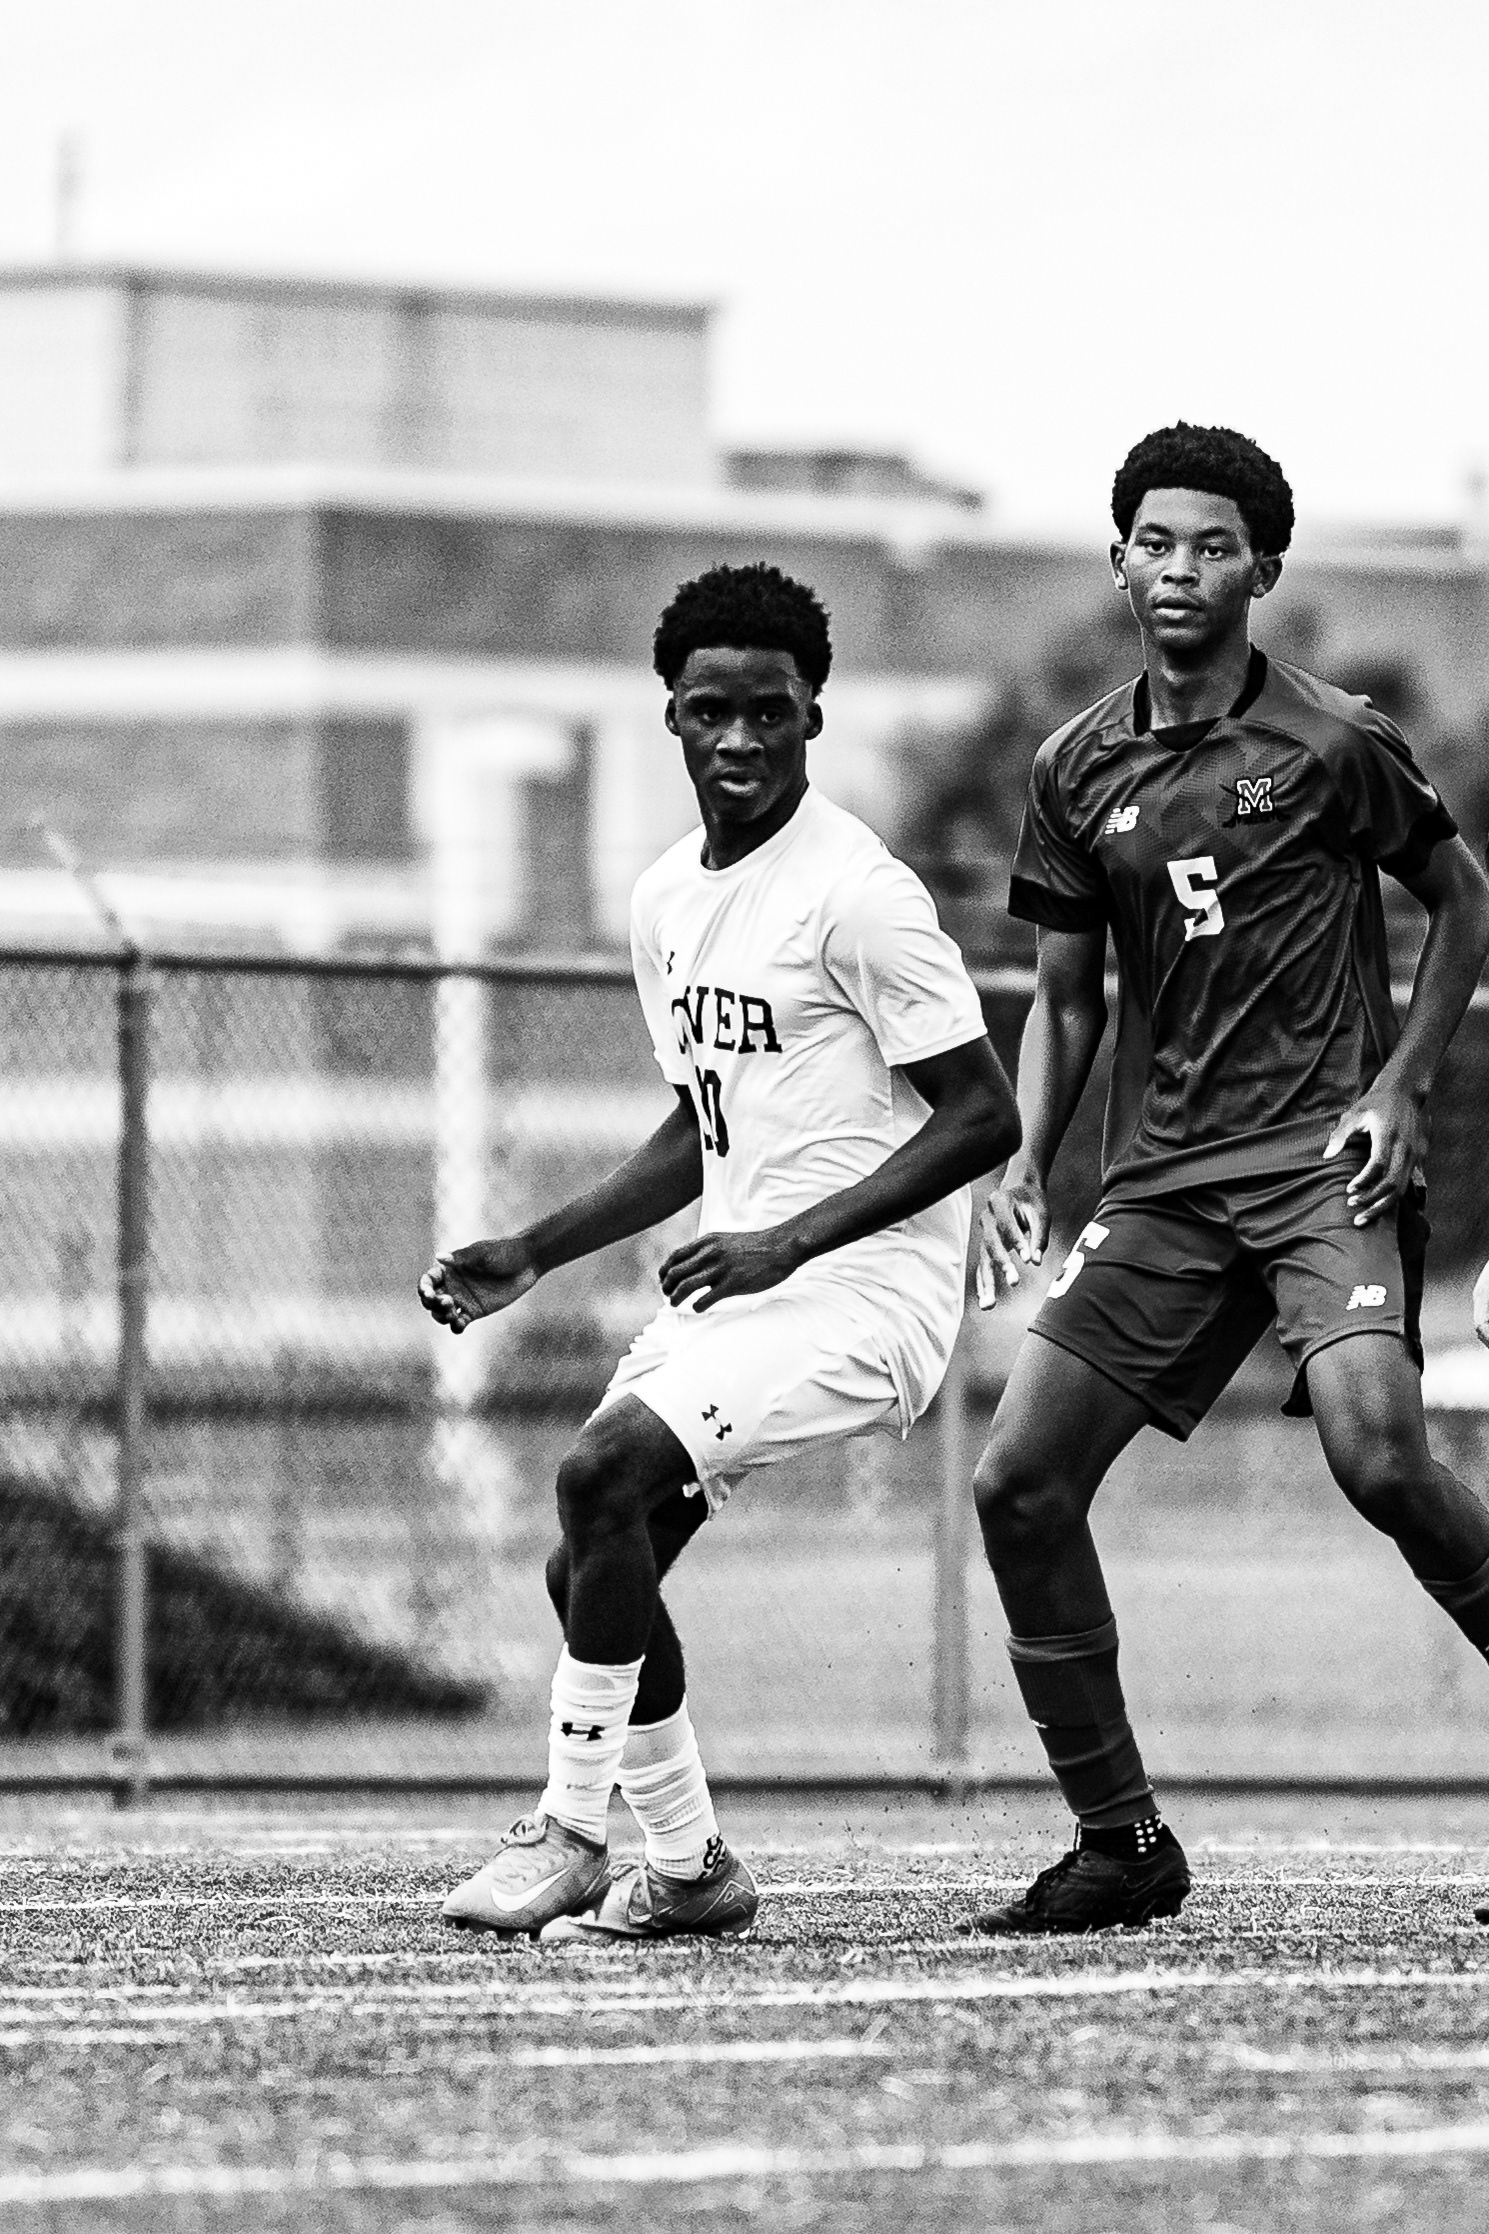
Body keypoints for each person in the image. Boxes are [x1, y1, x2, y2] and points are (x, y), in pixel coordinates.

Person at [419, 561, 1019, 1942]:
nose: (739, 738)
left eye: (768, 711)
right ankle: (690, 1865)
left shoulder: (859, 897)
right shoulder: (665, 901)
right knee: (590, 1565)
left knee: (600, 1472)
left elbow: (983, 1113)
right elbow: (704, 1125)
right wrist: (535, 1248)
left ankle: (571, 1832)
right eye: (710, 712)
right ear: (672, 719)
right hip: (740, 1287)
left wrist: (785, 1241)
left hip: (863, 1295)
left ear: (813, 716)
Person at [971, 422, 1489, 1935]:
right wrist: (1025, 1157)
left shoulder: (1333, 740)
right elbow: (1065, 999)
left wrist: (1397, 1088)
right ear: (1117, 559)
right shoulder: (1074, 765)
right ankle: (1120, 1839)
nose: (1180, 568)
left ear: (1260, 570)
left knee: (1379, 1459)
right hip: (1167, 1181)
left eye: (1213, 546)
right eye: (1155, 541)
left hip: (1325, 1157)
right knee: (1017, 1483)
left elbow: (1465, 903)